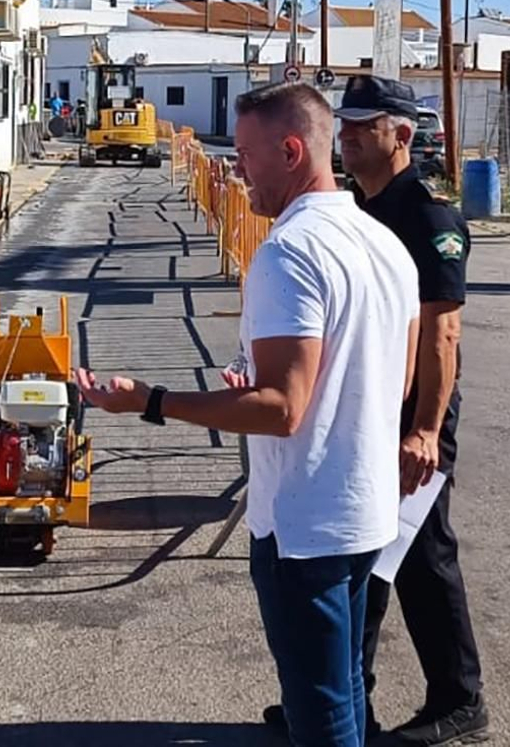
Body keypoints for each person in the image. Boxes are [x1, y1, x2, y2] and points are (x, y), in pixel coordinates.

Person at [77, 81, 420, 747]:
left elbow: (282, 408)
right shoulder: (384, 245)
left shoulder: (288, 253)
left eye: (244, 155)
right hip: (366, 511)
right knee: (347, 690)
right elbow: (393, 380)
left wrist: (149, 400)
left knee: (321, 719)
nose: (234, 171)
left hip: (305, 525)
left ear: (291, 152)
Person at [335, 75, 488, 746]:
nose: (347, 136)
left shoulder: (429, 217)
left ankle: (459, 700)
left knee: (422, 558)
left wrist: (425, 429)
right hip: (368, 409)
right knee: (359, 556)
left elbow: (442, 334)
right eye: (343, 125)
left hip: (414, 419)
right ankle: (343, 701)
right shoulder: (356, 208)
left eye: (361, 126)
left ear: (401, 133)